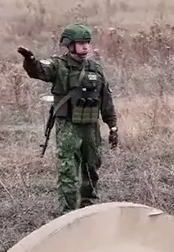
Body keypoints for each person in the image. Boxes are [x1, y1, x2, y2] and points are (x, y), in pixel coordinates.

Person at [17, 24, 119, 214]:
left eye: (87, 43)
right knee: (68, 170)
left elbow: (106, 99)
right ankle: (69, 213)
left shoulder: (95, 69)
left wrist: (112, 126)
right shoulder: (58, 66)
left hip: (90, 127)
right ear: (69, 45)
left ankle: (88, 207)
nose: (85, 48)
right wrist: (30, 60)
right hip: (68, 126)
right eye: (81, 43)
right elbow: (39, 70)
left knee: (91, 167)